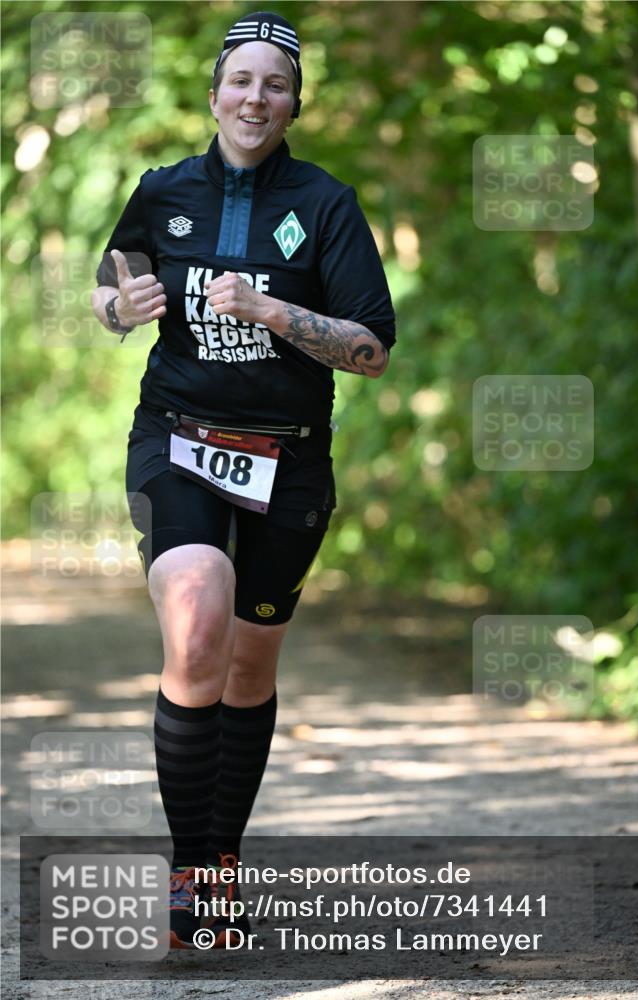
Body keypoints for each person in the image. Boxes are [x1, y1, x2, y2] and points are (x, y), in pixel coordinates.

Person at [92, 10, 396, 949]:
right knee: (198, 617)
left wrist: (270, 309)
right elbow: (113, 284)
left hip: (290, 457)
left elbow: (370, 348)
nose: (254, 98)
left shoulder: (328, 203)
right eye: (240, 81)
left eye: (274, 85)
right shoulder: (163, 190)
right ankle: (191, 876)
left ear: (294, 101)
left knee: (249, 666)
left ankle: (220, 861)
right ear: (213, 92)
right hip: (177, 438)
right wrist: (120, 305)